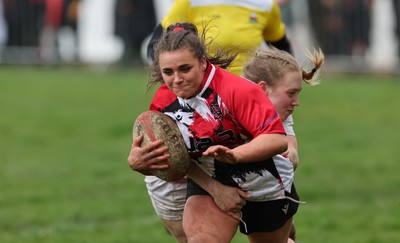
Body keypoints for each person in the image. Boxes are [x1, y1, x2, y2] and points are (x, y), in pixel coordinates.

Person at [128, 22, 303, 243]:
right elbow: (176, 159)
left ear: (202, 62)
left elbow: (276, 140)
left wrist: (236, 155)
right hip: (209, 179)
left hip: (264, 182)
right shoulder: (164, 101)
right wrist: (138, 162)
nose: (177, 79)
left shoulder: (237, 90)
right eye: (168, 72)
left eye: (185, 69)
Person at [242, 46, 324, 241]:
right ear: (263, 89)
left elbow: (288, 139)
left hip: (266, 190)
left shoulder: (278, 111)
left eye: (298, 94)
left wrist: (293, 152)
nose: (296, 102)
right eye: (291, 93)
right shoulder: (228, 104)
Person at [146, 0, 293, 75]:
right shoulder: (190, 1)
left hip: (250, 91)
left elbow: (282, 48)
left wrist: (285, 82)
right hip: (204, 95)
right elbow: (156, 45)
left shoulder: (265, 4)